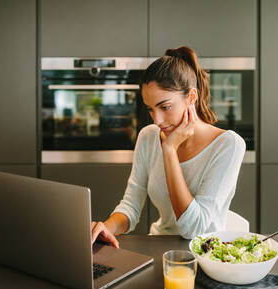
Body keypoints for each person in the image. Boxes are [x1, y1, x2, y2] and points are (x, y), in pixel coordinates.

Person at [91, 46, 246, 248]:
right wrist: (105, 228)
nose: (157, 120)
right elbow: (131, 206)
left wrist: (170, 150)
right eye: (151, 109)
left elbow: (194, 229)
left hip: (207, 254)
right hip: (160, 248)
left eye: (165, 107)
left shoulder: (229, 145)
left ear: (191, 97)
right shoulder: (148, 137)